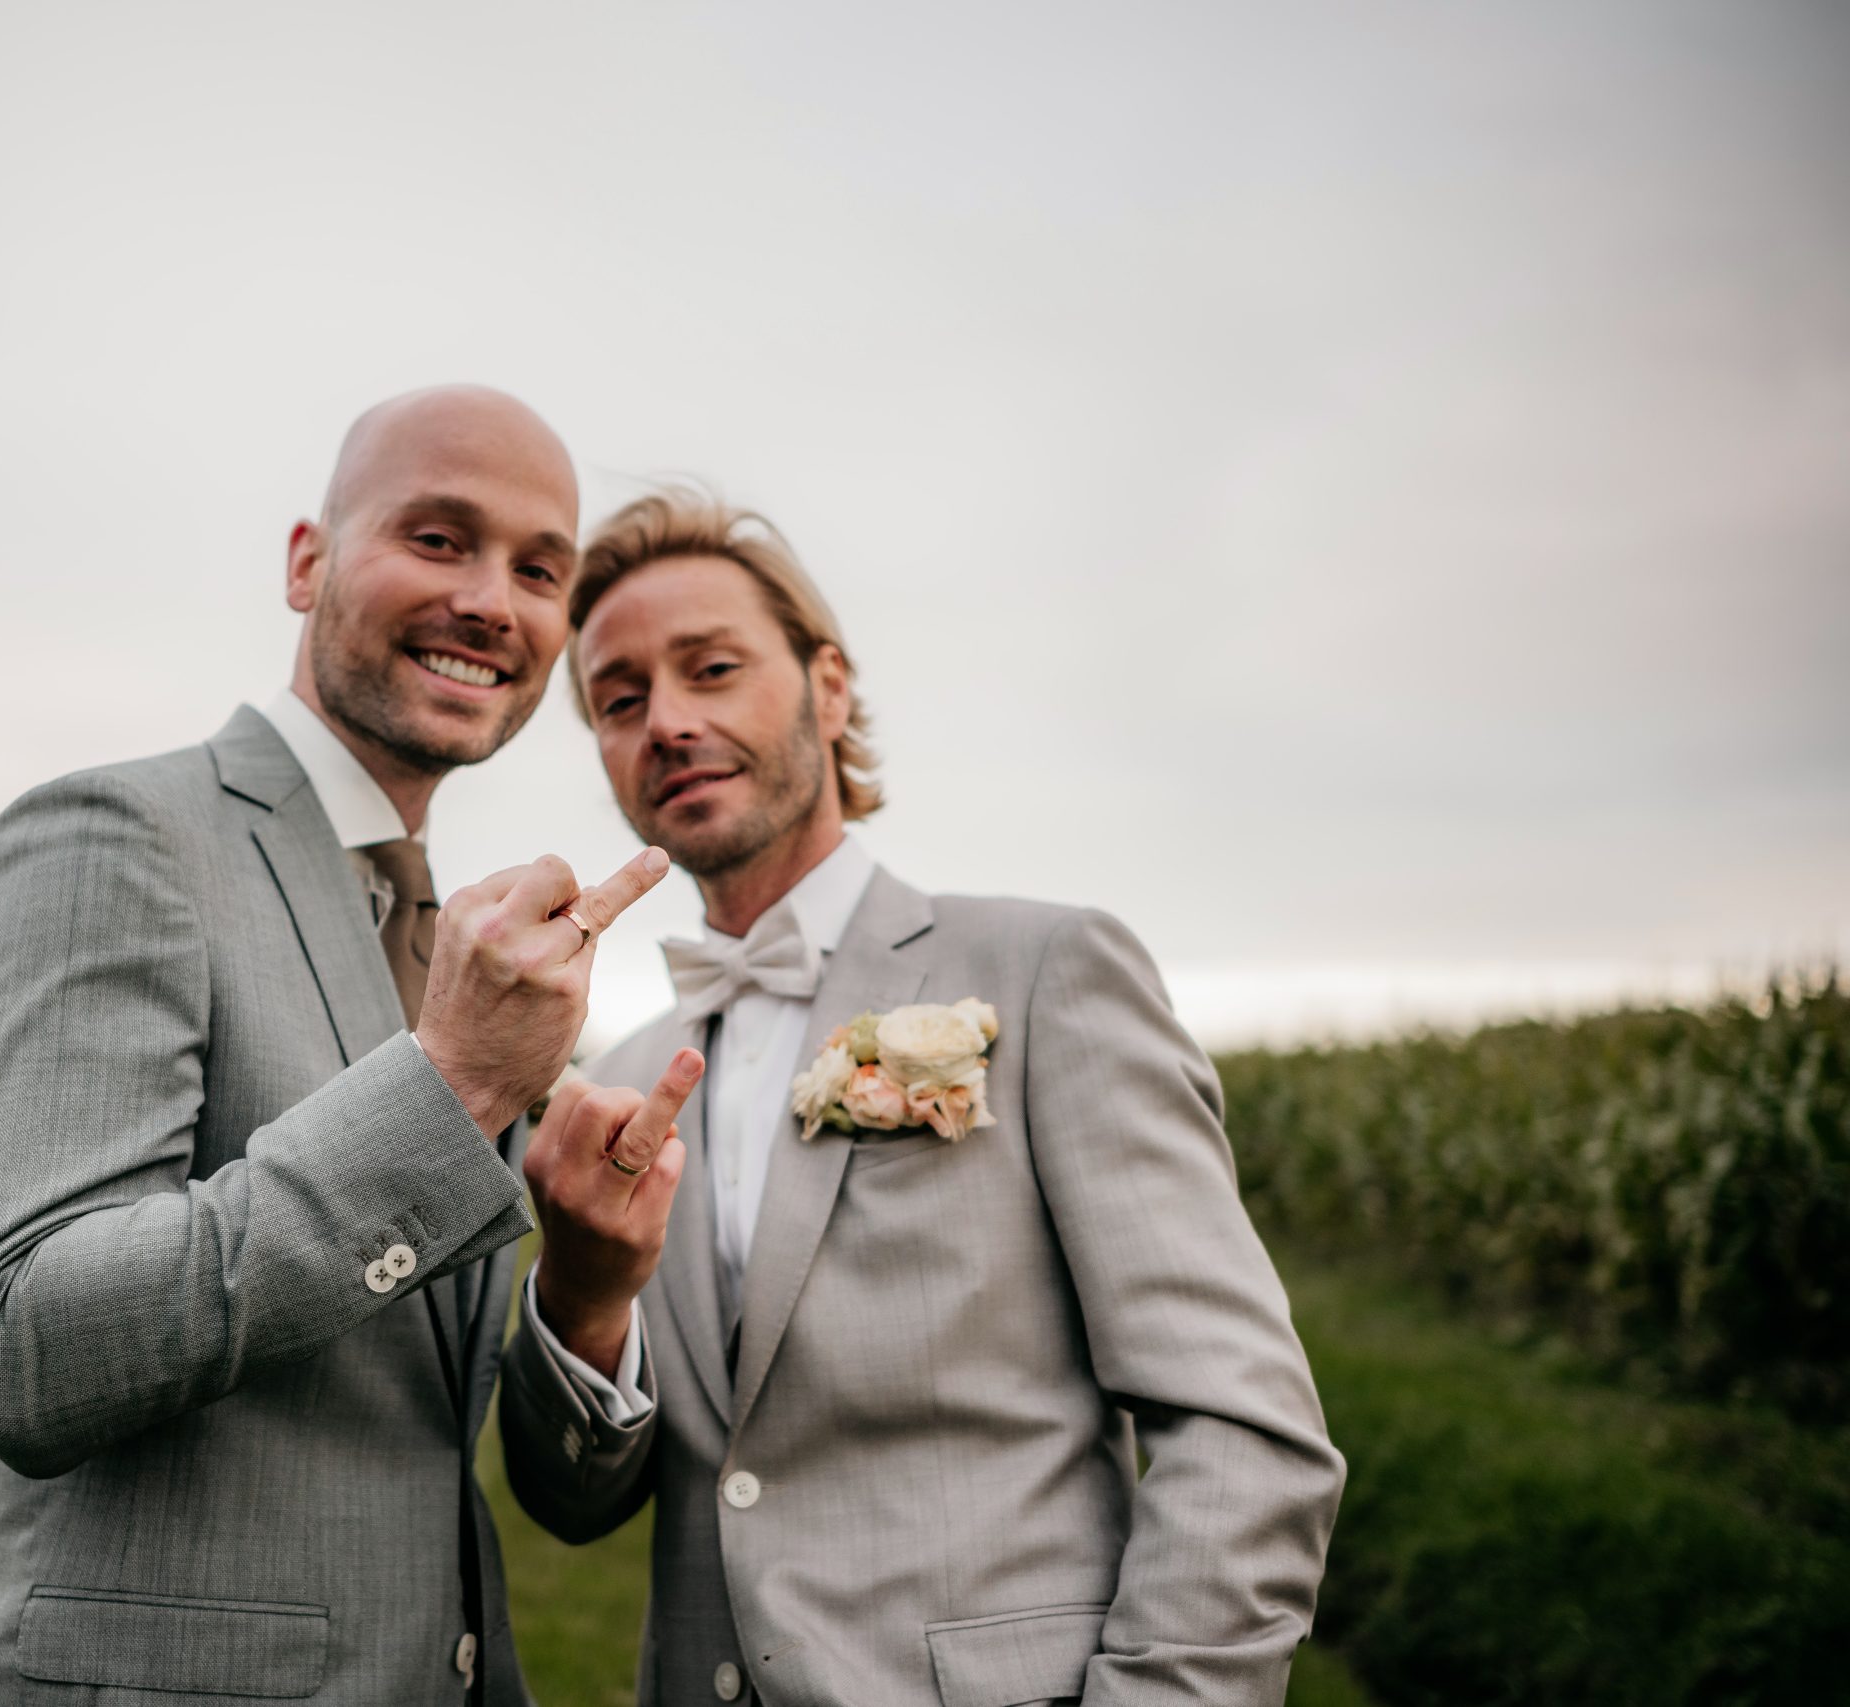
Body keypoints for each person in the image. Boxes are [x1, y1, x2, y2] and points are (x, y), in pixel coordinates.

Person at [502, 489, 1346, 1706]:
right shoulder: (620, 1080)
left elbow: (1242, 1431)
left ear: (828, 687)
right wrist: (582, 1295)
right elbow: (571, 1505)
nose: (667, 722)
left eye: (713, 669)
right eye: (621, 699)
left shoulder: (1047, 974)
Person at [0, 386, 683, 1706]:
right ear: (306, 561)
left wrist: (589, 1289)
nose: (494, 599)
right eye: (438, 539)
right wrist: (449, 1091)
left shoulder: (458, 938)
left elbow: (503, 1466)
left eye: (538, 567)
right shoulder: (114, 833)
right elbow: (20, 1347)